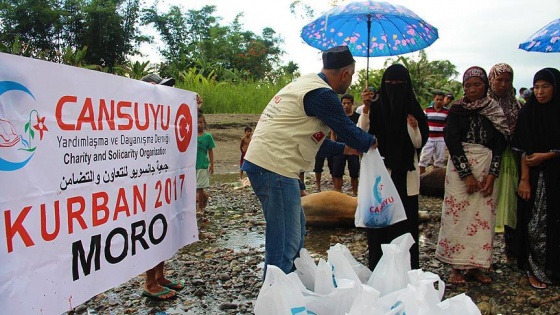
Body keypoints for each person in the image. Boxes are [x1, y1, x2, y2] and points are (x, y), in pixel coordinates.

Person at [241, 46, 376, 275]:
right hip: (274, 168)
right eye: (351, 76)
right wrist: (374, 142)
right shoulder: (322, 94)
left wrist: (345, 149)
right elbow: (350, 131)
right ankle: (275, 298)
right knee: (285, 241)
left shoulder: (307, 85)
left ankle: (289, 288)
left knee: (295, 233)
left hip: (273, 166)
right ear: (345, 73)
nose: (350, 82)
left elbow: (316, 142)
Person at [435, 66, 509, 285]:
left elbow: (500, 143)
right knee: (456, 215)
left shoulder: (493, 109)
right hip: (460, 167)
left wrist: (493, 174)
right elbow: (452, 141)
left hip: (486, 165)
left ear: (485, 86)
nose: (472, 89)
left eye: (477, 84)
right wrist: (466, 174)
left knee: (483, 218)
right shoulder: (457, 110)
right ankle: (456, 267)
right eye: (468, 85)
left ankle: (476, 266)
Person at [359, 64, 429, 270]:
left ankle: (405, 270)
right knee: (381, 221)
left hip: (405, 174)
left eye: (399, 84)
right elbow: (362, 134)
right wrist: (366, 108)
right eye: (389, 84)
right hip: (382, 174)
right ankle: (379, 269)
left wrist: (413, 127)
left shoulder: (413, 109)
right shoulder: (375, 106)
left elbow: (419, 143)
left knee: (405, 224)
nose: (394, 88)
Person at [513, 67, 560, 289]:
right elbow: (522, 148)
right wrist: (524, 179)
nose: (540, 92)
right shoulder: (528, 113)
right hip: (536, 178)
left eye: (546, 87)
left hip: (556, 176)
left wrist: (550, 154)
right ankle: (535, 269)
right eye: (537, 87)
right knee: (536, 223)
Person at [140, 73, 184, 300]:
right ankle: (149, 282)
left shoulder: (164, 114)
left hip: (164, 180)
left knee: (164, 228)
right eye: (153, 87)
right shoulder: (137, 112)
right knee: (152, 230)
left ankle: (159, 276)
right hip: (146, 182)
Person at [487, 63, 523, 265]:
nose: (503, 84)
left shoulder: (517, 106)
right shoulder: (483, 103)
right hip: (489, 160)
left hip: (510, 162)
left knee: (510, 205)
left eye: (507, 80)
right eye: (499, 79)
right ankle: (485, 254)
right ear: (491, 79)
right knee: (488, 205)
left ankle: (512, 252)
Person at [332, 93, 361, 196]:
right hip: (340, 147)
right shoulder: (338, 116)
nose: (346, 105)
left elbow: (361, 132)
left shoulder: (358, 117)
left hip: (353, 148)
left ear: (352, 104)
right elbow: (333, 131)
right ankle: (338, 194)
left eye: (348, 103)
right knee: (337, 172)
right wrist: (333, 146)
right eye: (344, 103)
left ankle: (355, 194)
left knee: (354, 173)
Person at [418, 91, 449, 174]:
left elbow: (448, 125)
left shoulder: (447, 112)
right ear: (434, 99)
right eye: (437, 99)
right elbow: (422, 123)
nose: (439, 101)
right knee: (423, 159)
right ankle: (420, 179)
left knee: (439, 160)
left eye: (441, 100)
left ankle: (435, 179)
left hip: (440, 138)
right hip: (429, 138)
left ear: (443, 100)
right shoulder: (427, 110)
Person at [196, 110, 215, 214]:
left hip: (202, 164)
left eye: (201, 122)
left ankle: (200, 208)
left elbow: (210, 151)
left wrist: (212, 165)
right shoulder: (191, 135)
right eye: (197, 122)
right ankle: (205, 197)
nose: (199, 125)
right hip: (191, 165)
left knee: (200, 187)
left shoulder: (208, 137)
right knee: (194, 187)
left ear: (204, 123)